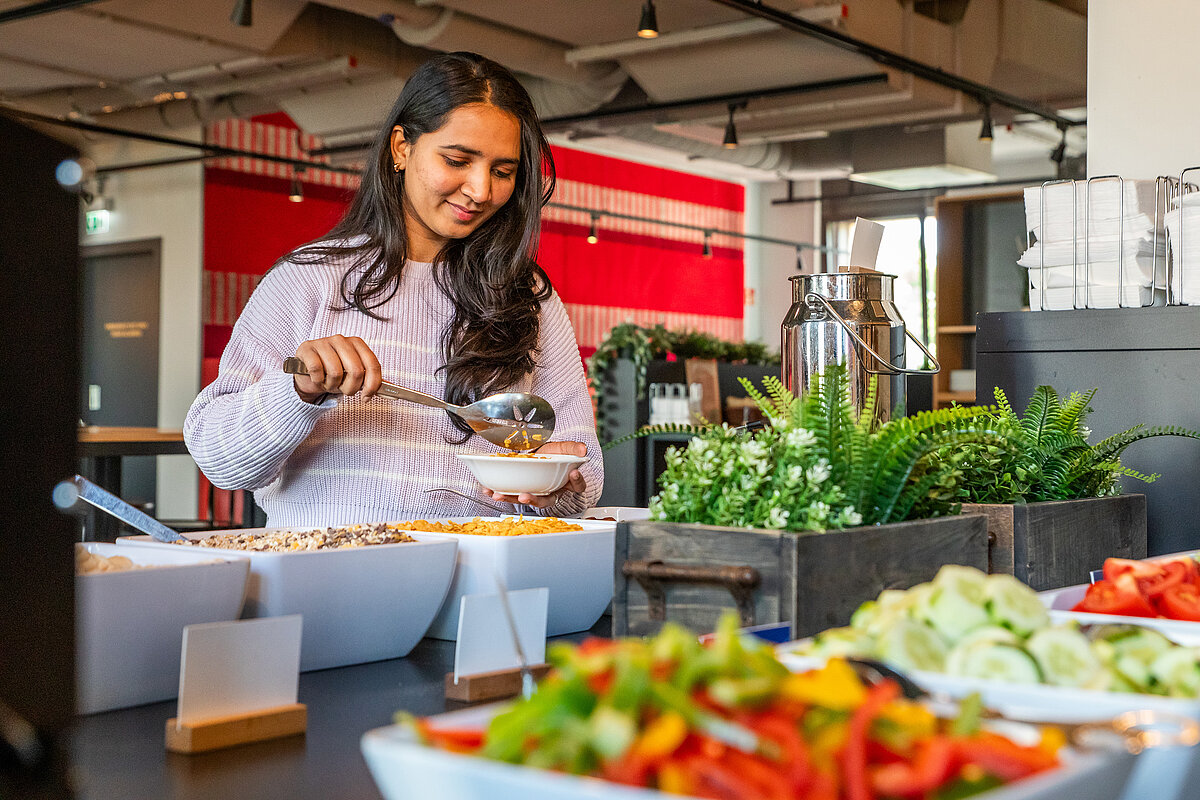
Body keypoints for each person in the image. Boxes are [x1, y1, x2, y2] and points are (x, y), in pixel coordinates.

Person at [185, 51, 603, 528]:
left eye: (503, 171)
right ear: (401, 148)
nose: (481, 189)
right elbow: (219, 462)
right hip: (331, 575)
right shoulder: (308, 280)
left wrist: (555, 485)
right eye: (457, 160)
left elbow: (582, 466)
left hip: (483, 577)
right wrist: (296, 391)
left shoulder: (526, 296)